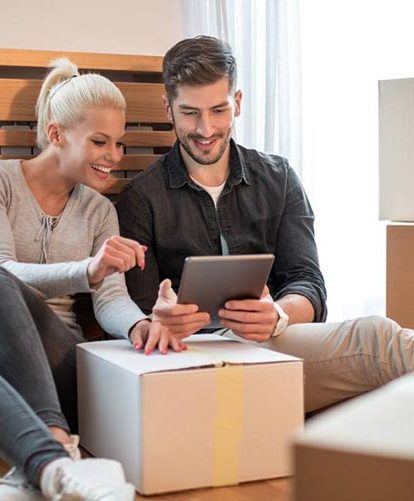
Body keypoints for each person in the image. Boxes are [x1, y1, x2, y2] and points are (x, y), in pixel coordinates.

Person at [116, 35, 414, 415]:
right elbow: (138, 311)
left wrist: (278, 315)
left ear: (238, 103)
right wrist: (161, 319)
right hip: (191, 358)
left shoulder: (279, 177)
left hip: (273, 345)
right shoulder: (141, 197)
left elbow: (309, 284)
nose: (205, 129)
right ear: (167, 108)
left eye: (219, 110)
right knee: (379, 340)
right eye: (190, 113)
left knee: (383, 370)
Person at [0, 58, 182, 500]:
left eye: (119, 144)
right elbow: (6, 272)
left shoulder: (99, 211)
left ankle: (51, 452)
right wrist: (87, 269)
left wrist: (138, 325)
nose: (113, 156)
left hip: (65, 362)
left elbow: (110, 298)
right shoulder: (3, 183)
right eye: (100, 141)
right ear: (57, 134)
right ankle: (55, 462)